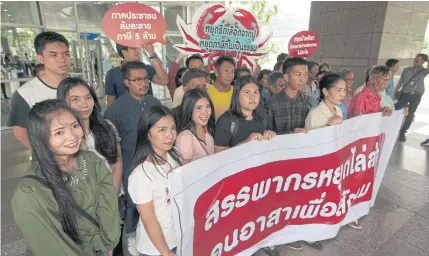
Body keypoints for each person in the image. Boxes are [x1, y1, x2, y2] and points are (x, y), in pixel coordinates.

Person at [12, 99, 120, 255]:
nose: (72, 136)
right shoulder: (30, 192)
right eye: (59, 132)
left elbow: (108, 204)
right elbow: (51, 246)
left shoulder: (91, 160)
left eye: (75, 126)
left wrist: (108, 244)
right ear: (40, 137)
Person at [104, 61, 161, 256]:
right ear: (127, 82)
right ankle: (131, 240)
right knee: (132, 204)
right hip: (130, 164)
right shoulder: (115, 110)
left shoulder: (155, 103)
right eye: (137, 80)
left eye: (145, 78)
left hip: (155, 162)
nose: (143, 83)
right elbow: (110, 145)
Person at [128, 105, 182, 256]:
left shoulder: (174, 155)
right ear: (148, 135)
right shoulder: (141, 175)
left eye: (173, 128)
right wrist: (165, 252)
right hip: (156, 248)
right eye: (162, 130)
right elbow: (149, 219)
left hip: (178, 238)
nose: (170, 135)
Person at [57, 77, 123, 195]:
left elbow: (116, 165)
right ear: (63, 102)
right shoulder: (61, 138)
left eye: (88, 97)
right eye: (75, 99)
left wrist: (111, 199)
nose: (84, 104)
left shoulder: (106, 127)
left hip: (110, 196)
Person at [8, 31, 71, 149]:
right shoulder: (25, 94)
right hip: (53, 159)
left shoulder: (81, 86)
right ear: (40, 58)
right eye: (53, 55)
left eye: (66, 54)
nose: (62, 59)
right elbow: (20, 134)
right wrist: (45, 157)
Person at [214, 75, 276, 152]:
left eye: (256, 92)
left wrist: (271, 136)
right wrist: (246, 143)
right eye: (247, 92)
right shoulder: (226, 121)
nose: (252, 97)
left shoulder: (263, 117)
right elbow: (218, 154)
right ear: (237, 95)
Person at [268, 57, 311, 136]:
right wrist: (291, 134)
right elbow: (266, 135)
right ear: (286, 77)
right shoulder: (270, 104)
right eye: (298, 74)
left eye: (306, 75)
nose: (303, 79)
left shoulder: (307, 102)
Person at [176, 89, 215, 164]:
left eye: (208, 106)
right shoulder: (186, 137)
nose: (205, 112)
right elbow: (185, 171)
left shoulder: (207, 128)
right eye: (199, 108)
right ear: (189, 110)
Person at [395, 53, 428, 141]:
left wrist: (427, 60)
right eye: (415, 59)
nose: (416, 61)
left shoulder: (424, 71)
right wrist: (395, 92)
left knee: (410, 113)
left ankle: (403, 132)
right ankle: (393, 128)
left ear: (423, 62)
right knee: (397, 110)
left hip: (416, 94)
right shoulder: (406, 70)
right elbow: (400, 82)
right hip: (405, 93)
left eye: (418, 60)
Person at [207, 55, 235, 119]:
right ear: (216, 71)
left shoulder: (237, 92)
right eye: (226, 71)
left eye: (232, 72)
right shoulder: (207, 92)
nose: (229, 75)